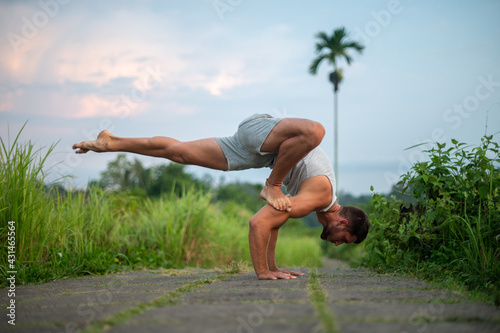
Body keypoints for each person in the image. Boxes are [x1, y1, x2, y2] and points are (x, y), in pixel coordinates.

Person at [73, 113, 370, 280]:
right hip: (263, 134)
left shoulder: (313, 196)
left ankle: (111, 142)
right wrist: (263, 272)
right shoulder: (319, 196)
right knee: (316, 131)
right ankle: (272, 183)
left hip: (259, 152)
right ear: (342, 223)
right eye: (342, 239)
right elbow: (259, 224)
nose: (335, 243)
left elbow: (275, 223)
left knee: (179, 152)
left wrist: (275, 267)